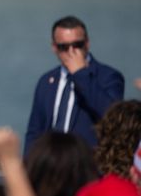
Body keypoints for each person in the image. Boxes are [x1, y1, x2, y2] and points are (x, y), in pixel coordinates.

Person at [24, 15, 124, 154]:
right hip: (51, 167)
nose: (71, 51)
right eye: (63, 47)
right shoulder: (47, 81)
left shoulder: (108, 76)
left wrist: (81, 74)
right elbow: (34, 131)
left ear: (87, 43)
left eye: (77, 45)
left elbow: (113, 117)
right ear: (54, 47)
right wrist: (30, 167)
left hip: (87, 167)